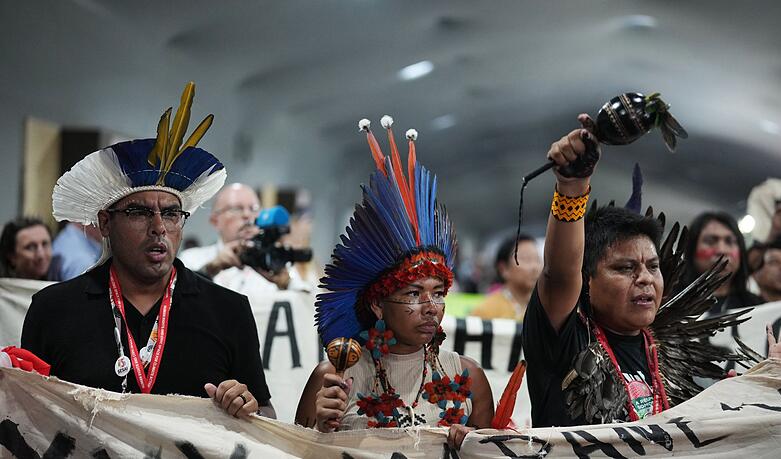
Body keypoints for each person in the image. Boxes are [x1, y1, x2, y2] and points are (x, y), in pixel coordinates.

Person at [21, 82, 274, 419]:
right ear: (106, 222)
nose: (159, 227)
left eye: (171, 213)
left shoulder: (228, 312)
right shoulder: (53, 309)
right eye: (139, 212)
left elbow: (266, 418)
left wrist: (247, 407)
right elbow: (23, 418)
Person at [522, 115, 746, 428]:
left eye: (652, 266)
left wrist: (775, 376)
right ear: (586, 281)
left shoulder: (666, 349)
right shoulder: (565, 337)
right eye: (624, 268)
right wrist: (572, 187)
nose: (645, 278)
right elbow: (560, 273)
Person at [295, 117, 493, 449]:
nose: (431, 308)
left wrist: (473, 448)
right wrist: (319, 429)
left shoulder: (469, 377)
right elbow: (292, 452)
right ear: (377, 303)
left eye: (439, 293)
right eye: (414, 293)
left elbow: (495, 455)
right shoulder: (334, 376)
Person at [178, 183, 310, 292]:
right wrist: (211, 268)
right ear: (215, 221)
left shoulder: (275, 265)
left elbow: (308, 309)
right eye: (236, 209)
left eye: (254, 209)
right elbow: (177, 299)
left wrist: (286, 283)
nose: (247, 215)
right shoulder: (191, 259)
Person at [682, 211, 762, 315]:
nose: (722, 250)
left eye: (729, 241)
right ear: (692, 250)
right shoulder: (668, 303)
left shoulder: (757, 307)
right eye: (710, 241)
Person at [470, 234, 542, 321]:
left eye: (537, 259)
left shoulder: (546, 308)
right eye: (526, 259)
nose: (535, 267)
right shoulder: (486, 312)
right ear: (503, 269)